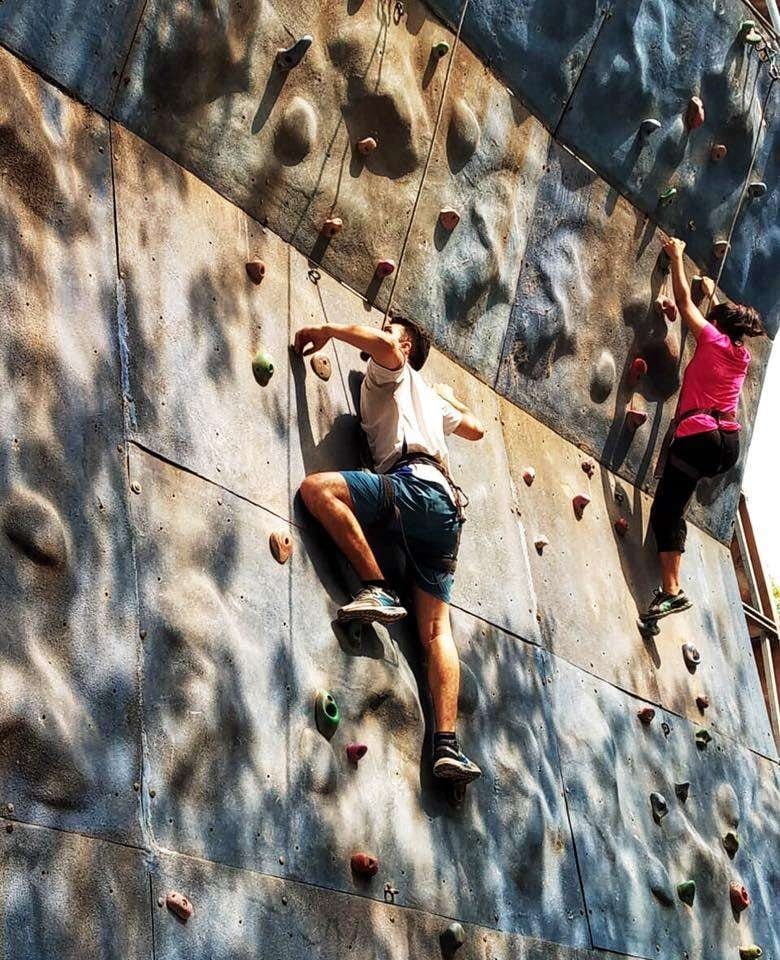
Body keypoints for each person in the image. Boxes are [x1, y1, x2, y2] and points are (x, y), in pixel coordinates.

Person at [295, 316, 485, 782]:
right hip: (447, 512)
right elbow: (477, 429)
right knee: (437, 632)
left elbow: (384, 346)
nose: (381, 331)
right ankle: (447, 746)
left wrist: (327, 330)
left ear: (403, 344)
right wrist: (450, 397)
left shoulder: (392, 370)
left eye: (391, 329)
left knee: (317, 491)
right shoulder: (433, 401)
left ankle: (376, 586)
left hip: (412, 486)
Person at [642, 236, 765, 622]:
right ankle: (670, 590)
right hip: (727, 444)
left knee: (666, 510)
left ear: (715, 325)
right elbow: (712, 321)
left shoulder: (709, 337)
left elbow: (683, 304)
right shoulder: (741, 355)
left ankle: (671, 591)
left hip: (699, 436)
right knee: (674, 506)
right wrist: (712, 297)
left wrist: (678, 258)